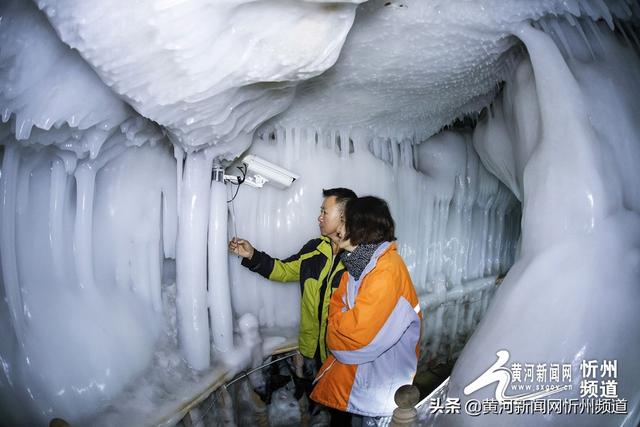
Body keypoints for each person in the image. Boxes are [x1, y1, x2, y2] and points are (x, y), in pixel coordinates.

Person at [228, 188, 357, 393]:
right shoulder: (315, 249)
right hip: (311, 350)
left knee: (340, 410)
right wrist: (252, 255)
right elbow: (284, 270)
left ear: (344, 216)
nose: (319, 217)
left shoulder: (359, 259)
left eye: (325, 212)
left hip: (340, 356)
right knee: (316, 396)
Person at [310, 196, 422, 426]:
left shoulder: (386, 271)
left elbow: (353, 338)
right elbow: (337, 315)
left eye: (343, 220)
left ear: (360, 226)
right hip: (364, 383)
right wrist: (339, 324)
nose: (338, 228)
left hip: (380, 390)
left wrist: (337, 326)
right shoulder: (356, 269)